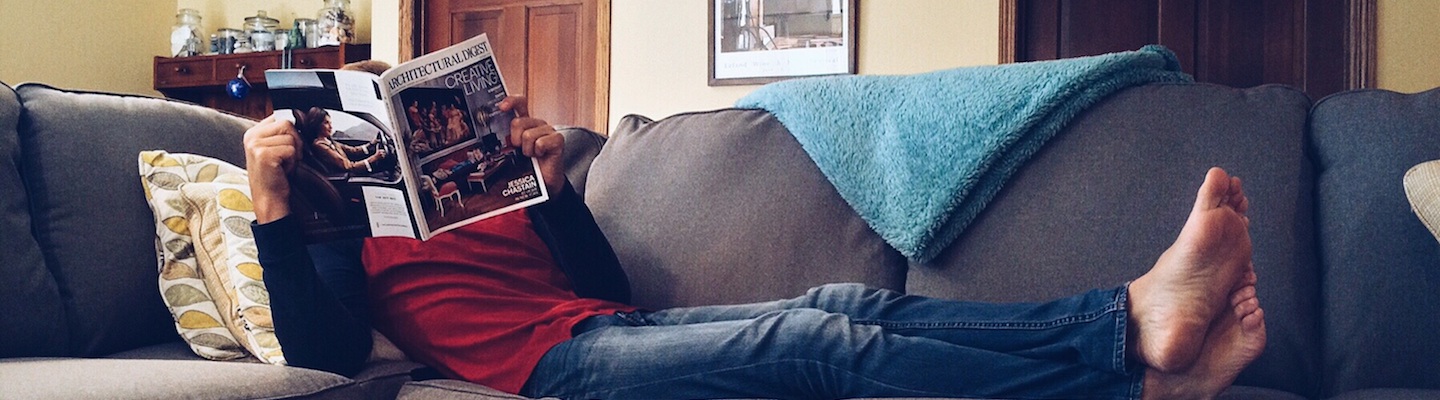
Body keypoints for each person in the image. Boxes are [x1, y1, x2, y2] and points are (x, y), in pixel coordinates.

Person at [245, 96, 1266, 400]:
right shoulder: (346, 239)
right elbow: (326, 358)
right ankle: (1125, 322)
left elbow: (597, 284)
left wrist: (553, 188)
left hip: (605, 325)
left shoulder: (491, 197)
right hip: (554, 372)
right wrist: (274, 205)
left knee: (846, 306)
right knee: (810, 343)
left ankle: (1138, 370)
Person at [293, 106, 387, 174]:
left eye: (330, 122)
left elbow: (352, 150)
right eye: (326, 123)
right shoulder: (320, 145)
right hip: (347, 178)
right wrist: (374, 158)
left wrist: (372, 144)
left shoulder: (328, 140)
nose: (331, 126)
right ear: (317, 124)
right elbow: (348, 166)